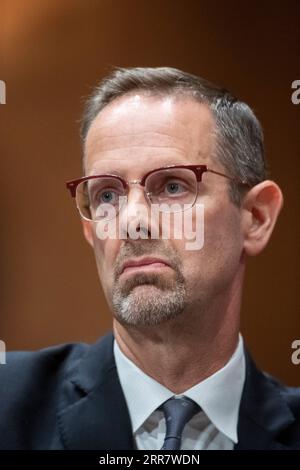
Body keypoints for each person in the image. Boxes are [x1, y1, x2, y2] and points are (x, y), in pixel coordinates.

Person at [0, 67, 299, 451]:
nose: (133, 221)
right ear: (90, 228)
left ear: (255, 217)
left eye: (173, 186)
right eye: (107, 195)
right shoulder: (9, 406)